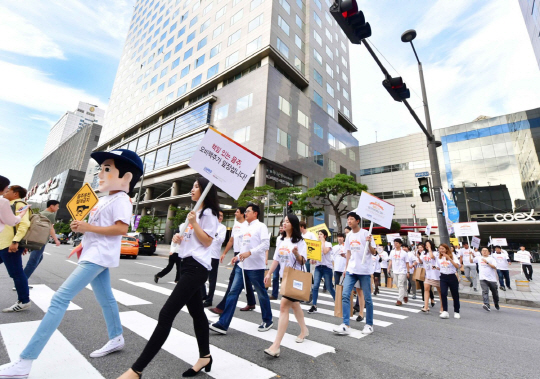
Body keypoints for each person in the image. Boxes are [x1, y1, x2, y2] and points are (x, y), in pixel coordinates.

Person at [1, 149, 143, 379]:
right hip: (93, 253)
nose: (101, 174)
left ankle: (24, 362)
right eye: (101, 169)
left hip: (99, 256)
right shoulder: (104, 199)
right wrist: (82, 238)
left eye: (107, 169)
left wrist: (88, 229)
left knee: (59, 299)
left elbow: (121, 229)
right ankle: (117, 337)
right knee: (105, 297)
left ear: (126, 178)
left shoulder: (122, 200)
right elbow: (97, 231)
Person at [119, 177, 219, 379]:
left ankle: (136, 371)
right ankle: (205, 356)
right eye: (192, 186)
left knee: (166, 315)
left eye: (196, 186)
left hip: (197, 268)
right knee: (197, 314)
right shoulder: (195, 213)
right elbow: (194, 241)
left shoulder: (209, 214)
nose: (192, 189)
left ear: (206, 191)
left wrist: (193, 224)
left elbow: (207, 242)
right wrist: (180, 239)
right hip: (187, 265)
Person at [209, 204, 273, 335]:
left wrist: (250, 252)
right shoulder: (244, 227)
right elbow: (243, 246)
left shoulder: (261, 226)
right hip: (242, 266)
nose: (246, 213)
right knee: (233, 293)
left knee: (261, 293)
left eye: (248, 211)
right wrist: (237, 257)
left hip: (255, 267)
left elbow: (265, 244)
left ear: (255, 213)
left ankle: (267, 320)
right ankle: (223, 324)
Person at [263, 214, 309, 357]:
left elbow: (303, 262)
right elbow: (276, 259)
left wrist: (296, 254)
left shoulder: (300, 242)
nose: (284, 223)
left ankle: (276, 345)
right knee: (295, 305)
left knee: (284, 306)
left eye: (287, 221)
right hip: (285, 278)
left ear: (293, 225)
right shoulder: (281, 240)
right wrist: (269, 273)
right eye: (284, 221)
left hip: (295, 278)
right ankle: (304, 330)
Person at [333, 212, 375, 336]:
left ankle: (369, 325)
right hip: (351, 270)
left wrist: (369, 243)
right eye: (348, 220)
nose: (349, 221)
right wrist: (346, 269)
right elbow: (349, 253)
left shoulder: (366, 234)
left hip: (364, 271)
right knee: (345, 295)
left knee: (367, 299)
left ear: (357, 221)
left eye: (351, 219)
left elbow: (374, 252)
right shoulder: (349, 235)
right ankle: (345, 324)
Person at [210, 207, 256, 314]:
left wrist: (245, 254)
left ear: (242, 214)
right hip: (236, 254)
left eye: (237, 212)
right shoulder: (236, 225)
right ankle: (251, 302)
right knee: (246, 279)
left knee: (233, 280)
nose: (235, 213)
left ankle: (222, 307)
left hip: (243, 254)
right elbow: (231, 240)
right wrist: (225, 253)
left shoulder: (247, 226)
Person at [0, 185, 32, 313]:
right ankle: (24, 300)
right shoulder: (8, 204)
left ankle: (24, 301)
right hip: (3, 244)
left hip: (9, 245)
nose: (5, 192)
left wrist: (16, 241)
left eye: (8, 191)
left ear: (15, 194)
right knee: (17, 273)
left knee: (16, 273)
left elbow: (24, 224)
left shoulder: (19, 204)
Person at [202, 210, 226, 307]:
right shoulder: (208, 225)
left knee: (212, 279)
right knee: (201, 277)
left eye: (222, 216)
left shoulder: (222, 227)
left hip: (214, 256)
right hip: (204, 255)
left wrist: (214, 233)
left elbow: (221, 239)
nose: (220, 217)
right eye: (219, 215)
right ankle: (203, 295)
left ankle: (209, 299)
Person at [308, 230, 335, 314]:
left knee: (329, 287)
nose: (319, 236)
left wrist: (322, 242)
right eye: (318, 234)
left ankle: (338, 302)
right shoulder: (316, 244)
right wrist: (312, 260)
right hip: (318, 267)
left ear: (325, 236)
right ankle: (314, 305)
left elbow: (325, 251)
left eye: (321, 234)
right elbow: (313, 257)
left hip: (327, 268)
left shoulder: (328, 244)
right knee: (315, 286)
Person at [471, 247, 499, 311]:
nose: (484, 252)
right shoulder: (479, 258)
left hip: (492, 279)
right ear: (481, 252)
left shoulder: (492, 259)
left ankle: (496, 303)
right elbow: (471, 261)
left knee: (495, 293)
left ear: (489, 252)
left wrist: (487, 262)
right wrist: (470, 255)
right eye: (483, 250)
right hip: (482, 278)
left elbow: (494, 267)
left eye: (486, 250)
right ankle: (486, 304)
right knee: (485, 291)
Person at [438, 243, 461, 319]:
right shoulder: (439, 257)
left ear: (446, 249)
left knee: (455, 295)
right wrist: (435, 267)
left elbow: (457, 266)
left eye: (443, 249)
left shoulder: (453, 256)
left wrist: (449, 259)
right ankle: (445, 311)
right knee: (443, 293)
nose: (441, 250)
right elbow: (439, 267)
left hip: (452, 276)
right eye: (440, 248)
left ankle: (456, 311)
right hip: (443, 277)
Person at [388, 238, 410, 306]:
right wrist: (388, 268)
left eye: (397, 243)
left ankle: (399, 300)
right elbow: (390, 260)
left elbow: (407, 263)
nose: (395, 244)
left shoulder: (404, 253)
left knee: (400, 284)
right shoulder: (392, 252)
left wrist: (408, 272)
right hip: (395, 270)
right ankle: (405, 295)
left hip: (402, 271)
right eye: (394, 243)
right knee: (397, 284)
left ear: (400, 244)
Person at [421, 240, 441, 313]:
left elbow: (432, 257)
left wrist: (429, 249)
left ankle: (442, 307)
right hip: (428, 274)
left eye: (428, 244)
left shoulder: (436, 253)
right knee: (426, 289)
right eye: (426, 244)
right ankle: (426, 307)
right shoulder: (424, 253)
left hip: (436, 275)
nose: (427, 246)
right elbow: (420, 261)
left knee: (440, 291)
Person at [270, 221, 284, 300]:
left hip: (284, 261)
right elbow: (277, 250)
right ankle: (274, 294)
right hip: (277, 260)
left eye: (282, 228)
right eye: (280, 228)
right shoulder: (278, 238)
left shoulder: (288, 238)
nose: (281, 229)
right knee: (275, 277)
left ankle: (286, 294)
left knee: (284, 278)